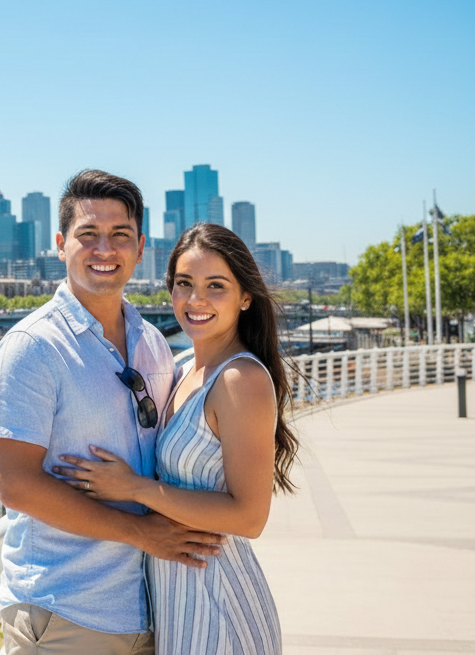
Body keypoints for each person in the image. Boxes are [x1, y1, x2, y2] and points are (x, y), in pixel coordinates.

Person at [0, 171, 225, 655]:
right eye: (87, 235)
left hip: (149, 605)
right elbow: (17, 485)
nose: (104, 249)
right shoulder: (31, 348)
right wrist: (141, 532)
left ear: (139, 247)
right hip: (65, 610)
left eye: (119, 236)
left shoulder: (154, 343)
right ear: (60, 244)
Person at [54, 223, 298, 655]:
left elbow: (249, 517)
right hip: (174, 603)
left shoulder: (242, 379)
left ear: (245, 297)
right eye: (184, 284)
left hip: (219, 604)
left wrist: (133, 487)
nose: (195, 300)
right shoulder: (182, 367)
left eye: (215, 286)